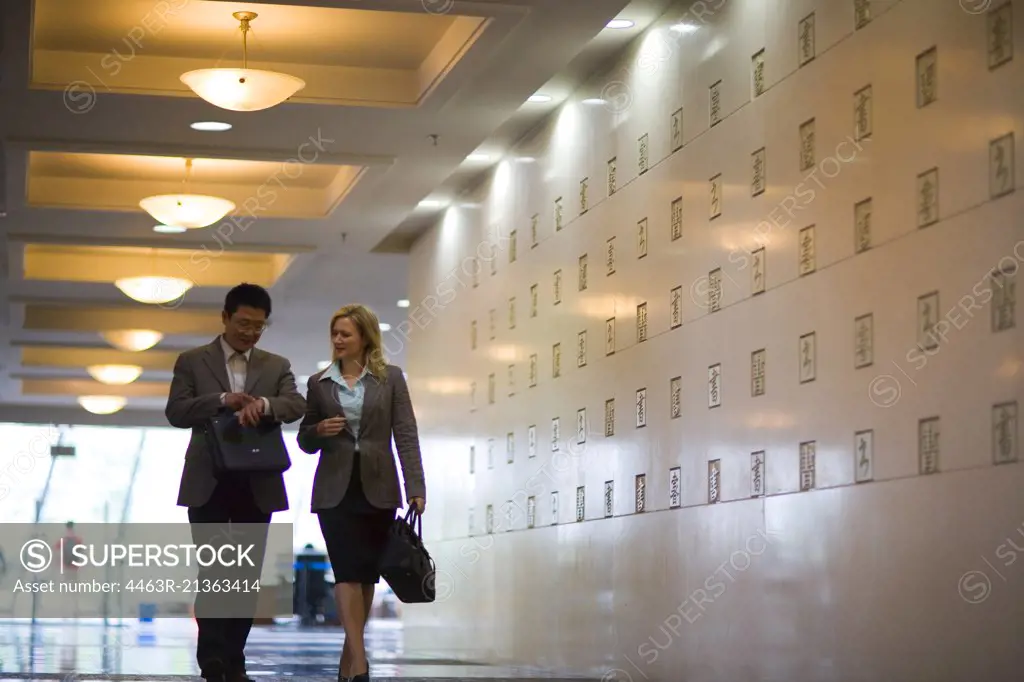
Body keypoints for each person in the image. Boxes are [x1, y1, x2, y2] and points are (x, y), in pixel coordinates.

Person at [165, 283, 306, 682]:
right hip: (208, 481)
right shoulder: (193, 361)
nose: (250, 332)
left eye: (259, 327)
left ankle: (234, 660)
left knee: (244, 577)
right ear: (225, 318)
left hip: (256, 482)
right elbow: (175, 410)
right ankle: (212, 660)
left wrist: (264, 405)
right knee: (213, 572)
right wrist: (222, 400)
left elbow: (296, 405)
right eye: (244, 323)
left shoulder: (276, 365)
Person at [297, 304, 425, 682]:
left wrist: (416, 486)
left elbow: (405, 433)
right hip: (334, 492)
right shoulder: (319, 383)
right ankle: (361, 661)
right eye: (334, 333)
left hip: (379, 488)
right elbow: (304, 439)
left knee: (367, 576)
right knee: (346, 573)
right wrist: (319, 430)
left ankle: (348, 661)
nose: (337, 340)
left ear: (365, 337)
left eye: (345, 334)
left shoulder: (391, 379)